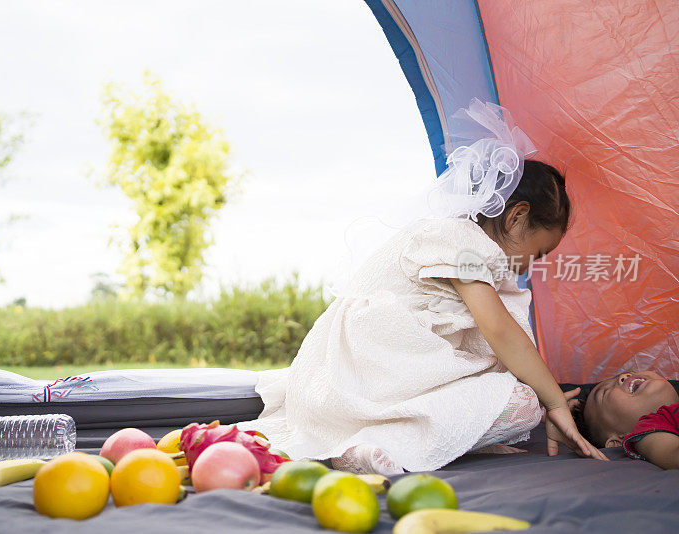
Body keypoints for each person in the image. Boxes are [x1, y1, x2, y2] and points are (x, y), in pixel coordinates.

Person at [238, 99, 607, 475]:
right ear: (516, 217)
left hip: (352, 380)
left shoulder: (451, 240)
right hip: (372, 370)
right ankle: (386, 444)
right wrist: (553, 402)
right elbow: (499, 330)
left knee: (506, 393)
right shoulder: (462, 242)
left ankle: (377, 444)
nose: (533, 265)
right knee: (526, 403)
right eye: (540, 251)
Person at [571, 372, 679, 469]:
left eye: (631, 372)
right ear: (616, 442)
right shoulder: (647, 433)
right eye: (605, 392)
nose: (622, 377)